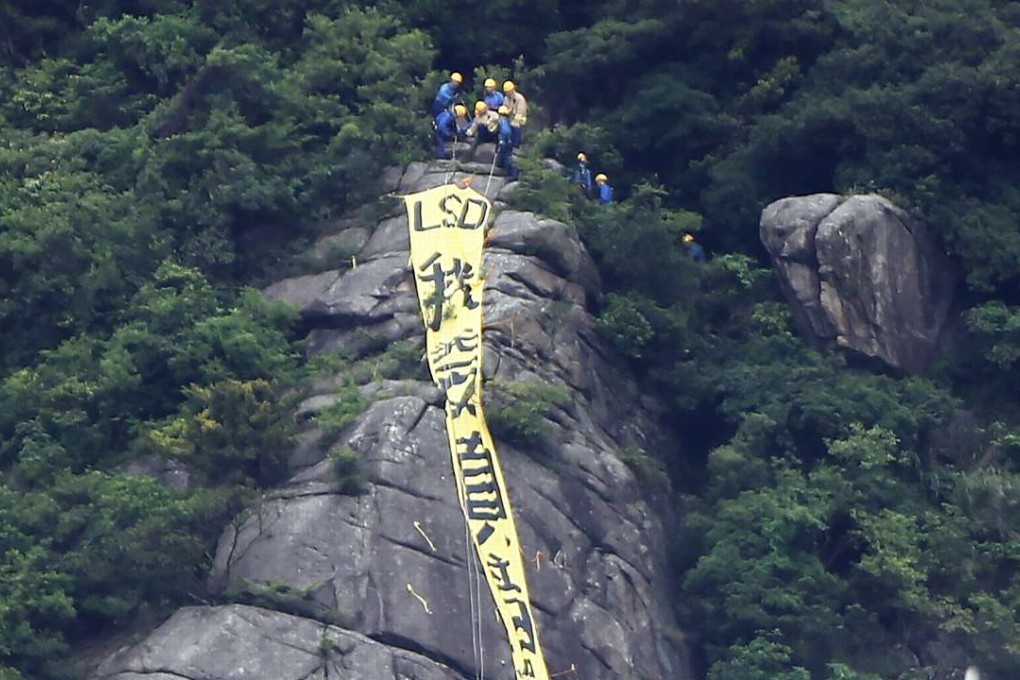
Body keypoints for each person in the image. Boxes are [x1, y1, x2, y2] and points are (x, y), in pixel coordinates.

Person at [502, 81, 527, 148]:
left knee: (514, 125)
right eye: (505, 92)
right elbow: (504, 108)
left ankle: (516, 145)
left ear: (512, 90)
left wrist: (513, 118)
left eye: (508, 91)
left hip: (519, 118)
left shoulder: (519, 98)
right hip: (509, 117)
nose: (506, 93)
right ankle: (504, 142)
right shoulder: (506, 99)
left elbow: (520, 112)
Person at [497, 105, 519, 180]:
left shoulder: (503, 121)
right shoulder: (508, 120)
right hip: (509, 142)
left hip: (506, 142)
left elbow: (505, 132)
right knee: (504, 156)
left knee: (507, 157)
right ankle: (505, 169)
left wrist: (502, 141)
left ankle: (513, 174)